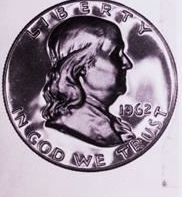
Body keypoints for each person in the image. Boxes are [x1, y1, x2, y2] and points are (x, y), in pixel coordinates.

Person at [42, 17, 134, 147]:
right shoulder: (76, 127)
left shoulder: (114, 127)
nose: (127, 64)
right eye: (115, 55)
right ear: (80, 68)